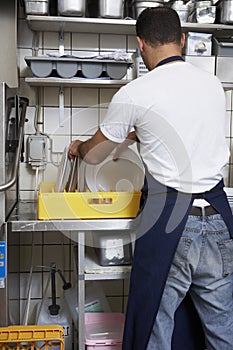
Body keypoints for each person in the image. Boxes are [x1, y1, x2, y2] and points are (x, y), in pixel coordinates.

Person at [69, 6, 233, 350]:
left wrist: (81, 147)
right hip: (219, 221)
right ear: (183, 40)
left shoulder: (136, 93)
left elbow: (97, 154)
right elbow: (182, 134)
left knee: (155, 329)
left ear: (140, 44)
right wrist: (137, 135)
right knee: (222, 330)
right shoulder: (213, 86)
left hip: (170, 225)